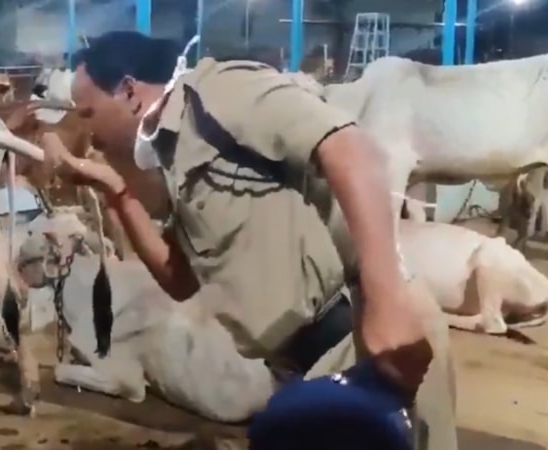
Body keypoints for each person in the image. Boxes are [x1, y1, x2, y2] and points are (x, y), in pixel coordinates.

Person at [36, 31, 457, 449]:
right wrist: (117, 193)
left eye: (88, 113)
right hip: (305, 365)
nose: (87, 132)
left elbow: (353, 151)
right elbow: (179, 280)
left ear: (129, 91)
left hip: (366, 342)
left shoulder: (220, 91)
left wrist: (386, 302)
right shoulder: (173, 154)